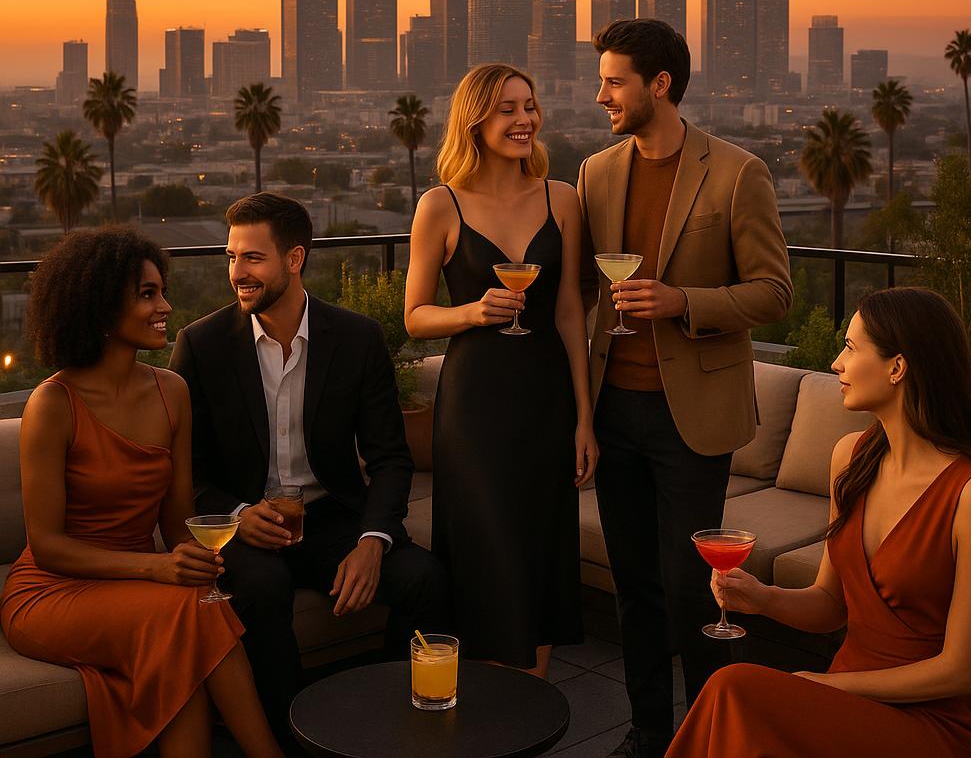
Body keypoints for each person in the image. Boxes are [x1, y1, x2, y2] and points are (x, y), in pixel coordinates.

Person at [667, 286, 971, 758]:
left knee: (734, 687)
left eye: (851, 347)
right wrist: (760, 598)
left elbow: (958, 670)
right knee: (734, 701)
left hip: (935, 722)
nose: (836, 363)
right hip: (845, 692)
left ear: (897, 367)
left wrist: (832, 687)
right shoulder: (850, 459)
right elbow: (830, 604)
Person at [577, 18, 793, 757]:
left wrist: (683, 303)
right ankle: (646, 730)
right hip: (615, 410)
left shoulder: (737, 172)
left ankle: (710, 735)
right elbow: (585, 297)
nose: (600, 93)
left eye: (613, 81)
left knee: (691, 586)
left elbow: (773, 294)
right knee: (633, 584)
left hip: (691, 419)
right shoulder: (596, 173)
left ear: (659, 85)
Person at [168, 193, 447, 738]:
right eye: (231, 257)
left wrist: (372, 541)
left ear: (294, 260)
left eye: (252, 258)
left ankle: (391, 727)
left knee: (426, 579)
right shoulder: (199, 345)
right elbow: (188, 470)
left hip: (332, 519)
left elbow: (390, 457)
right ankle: (294, 740)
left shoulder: (357, 338)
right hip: (247, 529)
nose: (237, 273)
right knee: (263, 590)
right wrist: (239, 514)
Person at [0, 228, 281, 758]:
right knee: (189, 616)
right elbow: (49, 545)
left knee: (189, 626)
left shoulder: (172, 392)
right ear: (100, 306)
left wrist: (202, 555)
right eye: (147, 294)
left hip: (136, 584)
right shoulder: (51, 404)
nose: (166, 306)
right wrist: (157, 569)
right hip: (51, 590)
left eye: (162, 291)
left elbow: (177, 526)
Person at [404, 63, 598, 677]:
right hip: (474, 408)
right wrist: (471, 311)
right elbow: (414, 316)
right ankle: (482, 689)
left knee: (541, 542)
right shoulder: (440, 206)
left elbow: (570, 315)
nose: (524, 120)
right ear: (476, 120)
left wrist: (584, 419)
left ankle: (532, 696)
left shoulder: (560, 198)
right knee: (487, 546)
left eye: (530, 106)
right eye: (508, 109)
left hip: (545, 402)